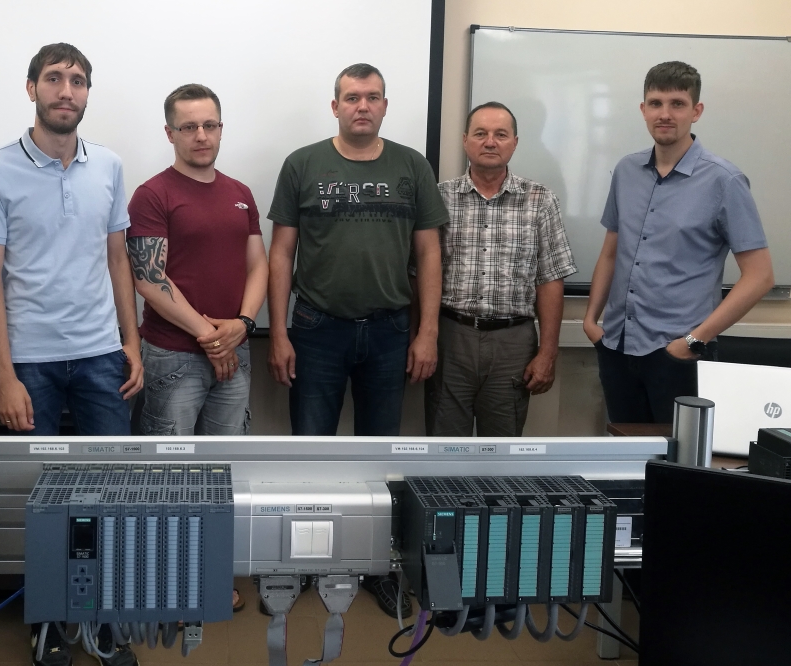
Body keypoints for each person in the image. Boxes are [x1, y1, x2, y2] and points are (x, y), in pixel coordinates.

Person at [0, 44, 141, 666]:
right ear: (32, 88)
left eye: (79, 81)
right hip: (30, 363)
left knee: (112, 493)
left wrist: (130, 341)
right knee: (40, 499)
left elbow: (117, 259)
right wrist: (4, 376)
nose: (67, 90)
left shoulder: (109, 165)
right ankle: (47, 622)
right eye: (55, 79)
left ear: (88, 92)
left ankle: (107, 619)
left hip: (100, 355)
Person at [267, 63, 447, 617]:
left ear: (385, 105)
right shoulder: (302, 164)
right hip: (316, 329)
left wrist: (427, 332)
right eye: (351, 97)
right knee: (311, 453)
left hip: (391, 331)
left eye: (372, 97)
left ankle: (375, 566)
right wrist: (278, 332)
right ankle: (304, 562)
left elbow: (429, 254)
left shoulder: (412, 167)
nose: (362, 106)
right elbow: (281, 253)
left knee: (379, 457)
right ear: (335, 106)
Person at [583, 61, 773, 424]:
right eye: (656, 103)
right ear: (643, 110)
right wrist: (592, 320)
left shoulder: (724, 180)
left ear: (696, 111)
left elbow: (760, 276)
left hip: (679, 355)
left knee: (680, 457)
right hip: (617, 346)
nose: (665, 114)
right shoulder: (626, 171)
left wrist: (694, 341)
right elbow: (611, 253)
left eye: (677, 104)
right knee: (626, 453)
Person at [424, 102, 576, 436]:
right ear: (465, 140)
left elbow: (550, 279)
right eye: (481, 133)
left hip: (513, 344)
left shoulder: (540, 200)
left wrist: (548, 353)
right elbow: (419, 274)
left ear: (515, 142)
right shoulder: (439, 198)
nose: (490, 142)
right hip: (451, 339)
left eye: (500, 134)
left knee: (501, 448)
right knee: (444, 447)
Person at [127, 83, 267, 436]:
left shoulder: (241, 193)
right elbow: (149, 278)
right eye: (189, 127)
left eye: (210, 125)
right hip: (173, 355)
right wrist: (213, 338)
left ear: (221, 129)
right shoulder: (152, 195)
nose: (201, 135)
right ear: (170, 133)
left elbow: (258, 266)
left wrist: (244, 324)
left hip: (236, 348)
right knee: (169, 462)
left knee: (227, 459)